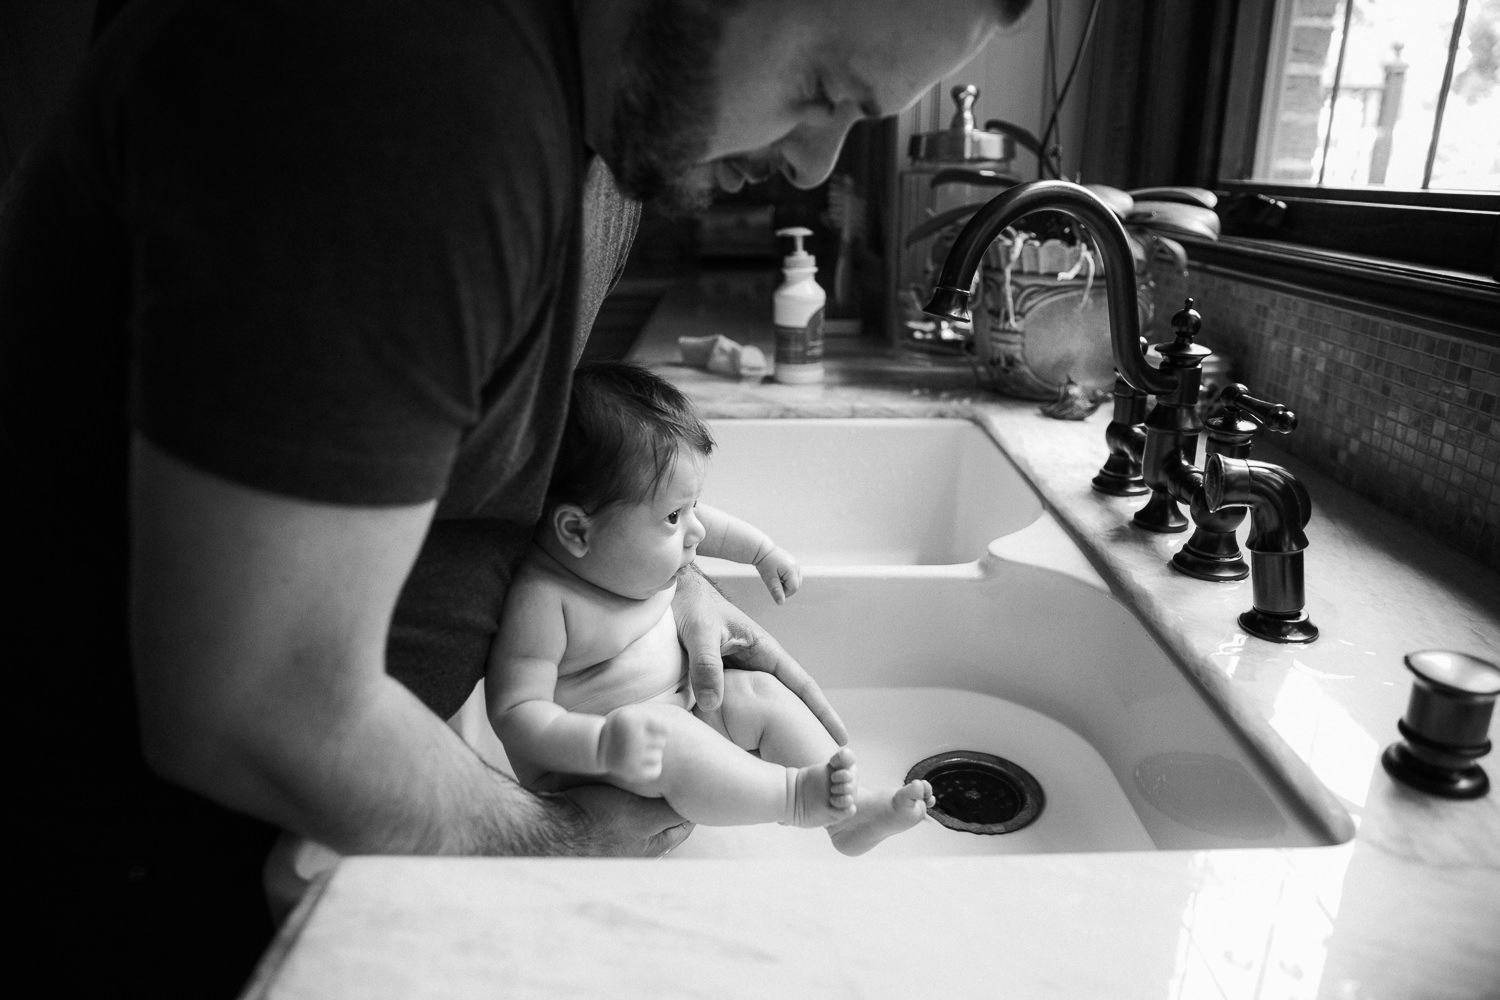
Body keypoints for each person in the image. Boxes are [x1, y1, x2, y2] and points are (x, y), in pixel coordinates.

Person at [1, 0, 1032, 992]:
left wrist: (652, 565)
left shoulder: (605, 100)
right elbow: (262, 699)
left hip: (351, 813)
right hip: (168, 879)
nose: (816, 165)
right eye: (822, 86)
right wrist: (560, 848)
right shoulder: (407, 79)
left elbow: (441, 412)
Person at [488, 362, 935, 853]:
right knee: (667, 730)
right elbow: (516, 713)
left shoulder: (626, 549)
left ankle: (850, 818)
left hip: (681, 716)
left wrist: (761, 551)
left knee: (759, 693)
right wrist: (599, 743)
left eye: (692, 507)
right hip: (599, 769)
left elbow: (709, 524)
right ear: (576, 531)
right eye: (675, 517)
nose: (696, 530)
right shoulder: (545, 601)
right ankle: (796, 799)